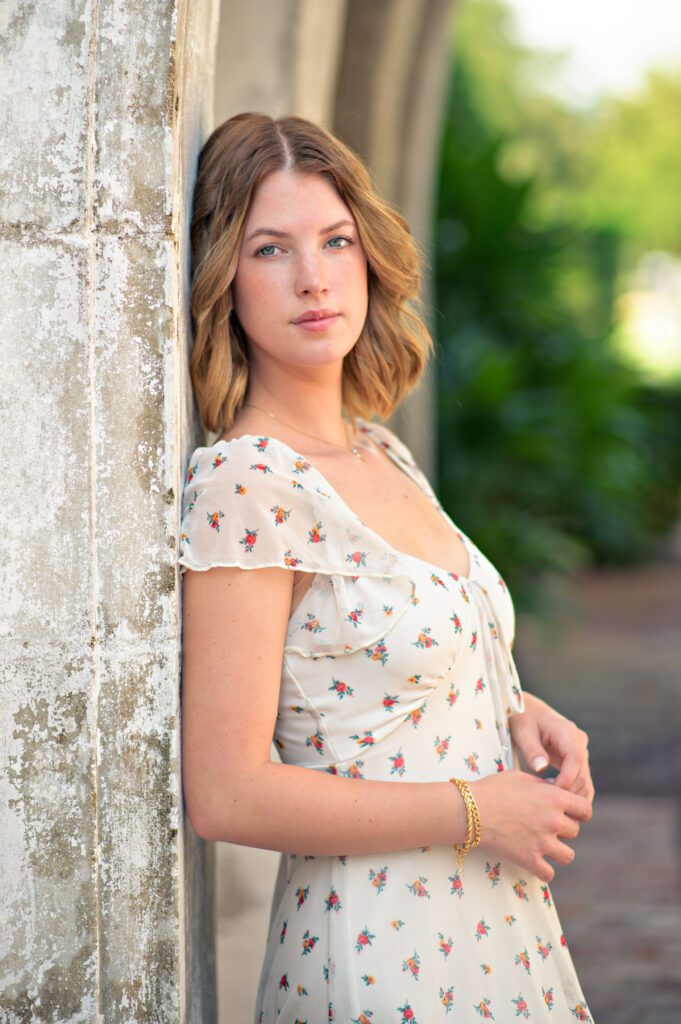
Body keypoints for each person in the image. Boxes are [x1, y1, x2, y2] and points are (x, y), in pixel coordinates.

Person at [178, 112, 596, 1023]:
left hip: (493, 928)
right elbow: (225, 790)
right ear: (223, 282)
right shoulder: (249, 481)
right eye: (269, 250)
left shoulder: (377, 452)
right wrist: (477, 811)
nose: (314, 277)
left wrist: (516, 708)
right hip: (377, 956)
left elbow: (369, 676)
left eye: (334, 240)